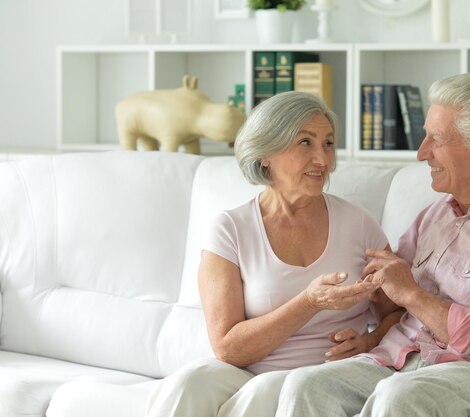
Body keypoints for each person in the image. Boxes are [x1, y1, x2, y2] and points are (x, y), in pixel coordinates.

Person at [275, 72, 470, 417]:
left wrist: (412, 294)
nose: (422, 153)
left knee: (398, 396)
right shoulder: (436, 214)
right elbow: (393, 300)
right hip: (398, 357)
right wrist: (368, 289)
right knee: (307, 384)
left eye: (436, 139)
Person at [146, 91, 403, 417]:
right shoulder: (230, 229)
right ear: (265, 152)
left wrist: (368, 342)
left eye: (328, 143)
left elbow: (398, 315)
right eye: (305, 143)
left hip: (325, 376)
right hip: (244, 369)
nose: (323, 160)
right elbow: (227, 348)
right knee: (189, 382)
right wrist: (309, 302)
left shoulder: (359, 223)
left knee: (265, 390)